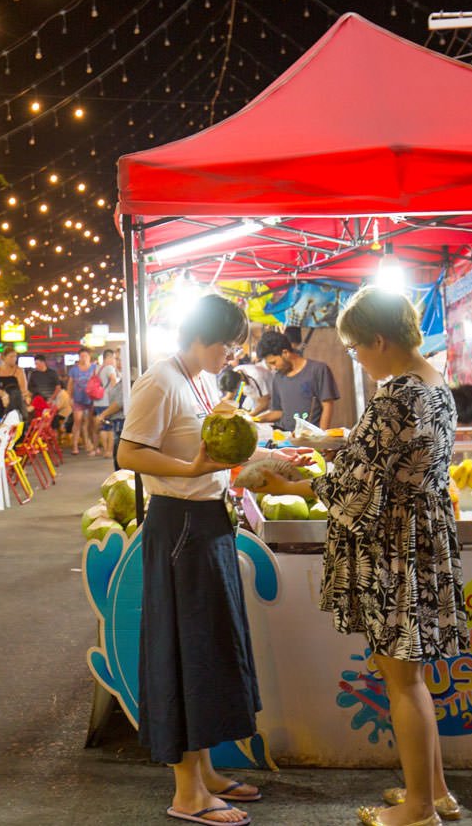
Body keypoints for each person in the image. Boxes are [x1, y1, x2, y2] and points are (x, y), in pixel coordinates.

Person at [253, 288, 466, 826]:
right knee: (412, 677)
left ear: (379, 339)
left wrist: (289, 476)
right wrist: (331, 454)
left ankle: (418, 811)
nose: (355, 357)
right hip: (422, 538)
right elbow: (382, 460)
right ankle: (435, 791)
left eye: (355, 348)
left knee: (403, 681)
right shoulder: (434, 384)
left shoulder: (396, 397)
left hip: (394, 545)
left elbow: (358, 491)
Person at [117, 294, 297, 826]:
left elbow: (220, 450)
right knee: (187, 649)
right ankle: (187, 792)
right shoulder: (160, 381)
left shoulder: (201, 380)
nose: (231, 354)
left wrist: (269, 455)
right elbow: (128, 452)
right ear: (201, 337)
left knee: (213, 647)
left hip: (210, 523)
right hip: (180, 527)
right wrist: (191, 468)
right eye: (227, 344)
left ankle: (208, 772)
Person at [254, 330, 339, 430]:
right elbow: (278, 412)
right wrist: (255, 419)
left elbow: (327, 406)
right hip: (285, 439)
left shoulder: (318, 370)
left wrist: (321, 437)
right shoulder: (278, 378)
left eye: (274, 362)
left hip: (310, 439)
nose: (273, 368)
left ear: (285, 353)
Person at [69, 347, 97, 455]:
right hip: (78, 399)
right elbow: (70, 384)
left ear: (89, 357)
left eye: (85, 356)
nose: (83, 358)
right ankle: (75, 446)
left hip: (92, 399)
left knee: (91, 423)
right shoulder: (74, 370)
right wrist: (70, 398)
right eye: (81, 356)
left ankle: (92, 446)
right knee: (77, 422)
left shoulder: (94, 368)